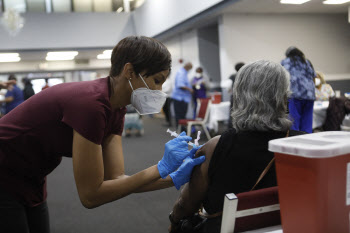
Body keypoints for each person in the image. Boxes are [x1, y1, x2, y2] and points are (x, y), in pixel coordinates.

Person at [0, 36, 205, 233]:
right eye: (157, 80)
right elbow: (91, 196)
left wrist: (173, 178)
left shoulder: (117, 107)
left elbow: (117, 180)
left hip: (31, 175)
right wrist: (161, 168)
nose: (160, 91)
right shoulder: (91, 104)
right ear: (130, 71)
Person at [168, 60, 305, 233]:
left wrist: (173, 220)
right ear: (284, 99)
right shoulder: (305, 147)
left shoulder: (215, 147)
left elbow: (186, 205)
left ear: (239, 97)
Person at [281, 46, 316, 133]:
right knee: (307, 122)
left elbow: (280, 77)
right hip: (310, 95)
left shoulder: (286, 62)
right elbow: (314, 76)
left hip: (295, 94)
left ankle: (295, 143)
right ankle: (308, 143)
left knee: (294, 122)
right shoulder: (306, 62)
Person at [172, 62, 193, 129]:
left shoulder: (183, 73)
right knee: (180, 115)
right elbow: (180, 85)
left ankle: (181, 130)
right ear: (188, 67)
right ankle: (180, 130)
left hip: (182, 98)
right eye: (190, 68)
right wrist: (190, 89)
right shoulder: (181, 73)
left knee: (181, 115)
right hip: (180, 98)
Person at [228, 62, 245, 129]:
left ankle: (231, 127)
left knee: (232, 112)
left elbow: (228, 88)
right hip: (243, 97)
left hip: (234, 96)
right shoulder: (245, 76)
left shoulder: (232, 76)